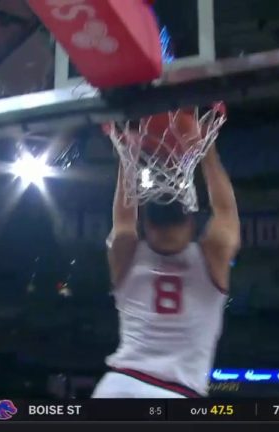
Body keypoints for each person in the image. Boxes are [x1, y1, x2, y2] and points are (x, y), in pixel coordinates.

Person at [93, 139, 240, 398]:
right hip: (175, 391)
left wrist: (129, 155)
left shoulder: (127, 255)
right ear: (191, 224)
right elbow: (226, 211)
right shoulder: (211, 258)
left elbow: (124, 218)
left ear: (147, 225)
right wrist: (208, 150)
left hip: (119, 385)